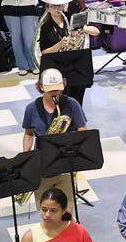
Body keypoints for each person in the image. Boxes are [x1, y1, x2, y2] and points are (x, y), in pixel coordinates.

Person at [21, 68, 89, 208]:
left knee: (66, 210)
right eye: (51, 90)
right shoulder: (31, 108)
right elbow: (28, 133)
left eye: (58, 89)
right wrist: (26, 156)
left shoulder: (72, 104)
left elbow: (83, 131)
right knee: (46, 210)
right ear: (41, 87)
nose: (55, 93)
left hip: (65, 166)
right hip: (42, 168)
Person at [36, 3, 99, 104]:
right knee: (62, 100)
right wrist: (60, 45)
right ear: (47, 9)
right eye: (53, 6)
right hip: (58, 67)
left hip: (76, 65)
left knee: (77, 99)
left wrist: (83, 29)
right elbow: (44, 52)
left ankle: (77, 112)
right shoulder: (45, 27)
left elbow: (96, 31)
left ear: (63, 6)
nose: (57, 8)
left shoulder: (71, 18)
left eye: (59, 5)